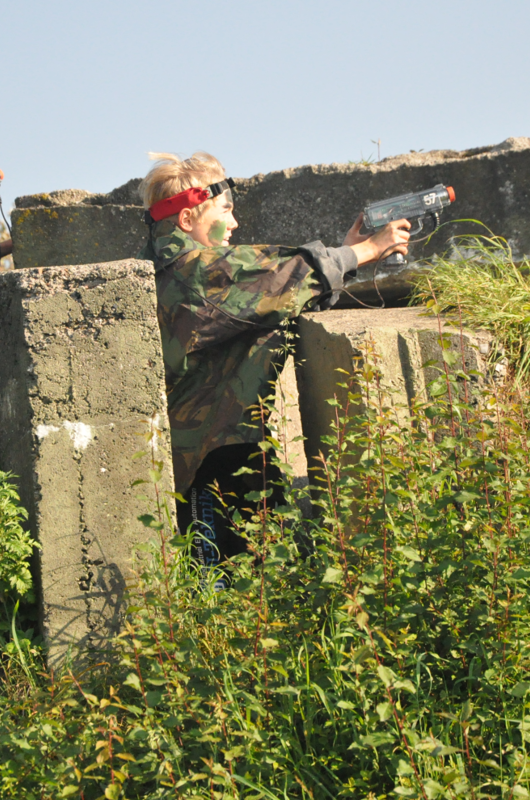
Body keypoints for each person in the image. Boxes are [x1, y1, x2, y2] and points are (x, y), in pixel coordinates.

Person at [138, 151, 409, 584]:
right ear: (187, 220)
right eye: (226, 210)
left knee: (260, 591)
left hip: (223, 452)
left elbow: (278, 294)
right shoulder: (196, 274)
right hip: (210, 466)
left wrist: (349, 254)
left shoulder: (180, 273)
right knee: (231, 598)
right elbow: (283, 275)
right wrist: (367, 250)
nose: (236, 223)